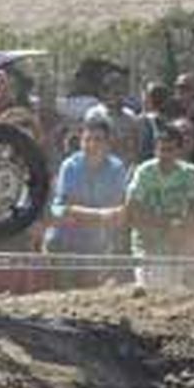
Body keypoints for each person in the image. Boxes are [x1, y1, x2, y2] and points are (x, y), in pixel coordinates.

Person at [44, 112, 130, 285]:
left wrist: (95, 215)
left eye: (98, 139)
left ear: (108, 143)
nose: (91, 144)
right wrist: (100, 215)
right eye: (87, 139)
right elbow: (66, 208)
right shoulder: (70, 166)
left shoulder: (117, 168)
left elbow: (118, 210)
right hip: (64, 242)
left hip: (98, 244)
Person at [124, 120, 194, 290]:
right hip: (148, 243)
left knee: (181, 293)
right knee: (151, 291)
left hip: (180, 243)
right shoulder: (144, 172)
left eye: (169, 150)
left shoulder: (193, 174)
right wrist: (165, 224)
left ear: (179, 150)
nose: (164, 155)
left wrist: (184, 227)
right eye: (160, 149)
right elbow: (132, 208)